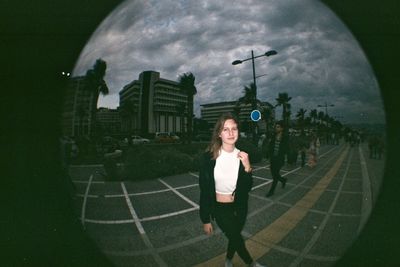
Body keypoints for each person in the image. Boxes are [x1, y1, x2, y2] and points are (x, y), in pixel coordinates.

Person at [199, 113, 265, 267]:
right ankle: (252, 264)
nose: (230, 133)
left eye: (234, 129)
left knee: (234, 236)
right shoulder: (208, 158)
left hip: (240, 206)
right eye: (225, 129)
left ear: (238, 132)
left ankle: (228, 259)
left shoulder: (242, 156)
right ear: (219, 134)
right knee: (236, 237)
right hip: (220, 208)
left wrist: (248, 167)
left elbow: (247, 187)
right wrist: (205, 219)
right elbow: (204, 190)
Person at [266, 121, 289, 197]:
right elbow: (270, 147)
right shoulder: (274, 136)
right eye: (276, 127)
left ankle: (271, 191)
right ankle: (283, 180)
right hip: (273, 158)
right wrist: (269, 156)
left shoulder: (285, 137)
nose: (276, 128)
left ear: (282, 128)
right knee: (274, 174)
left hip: (279, 159)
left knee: (275, 176)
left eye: (278, 127)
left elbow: (286, 148)